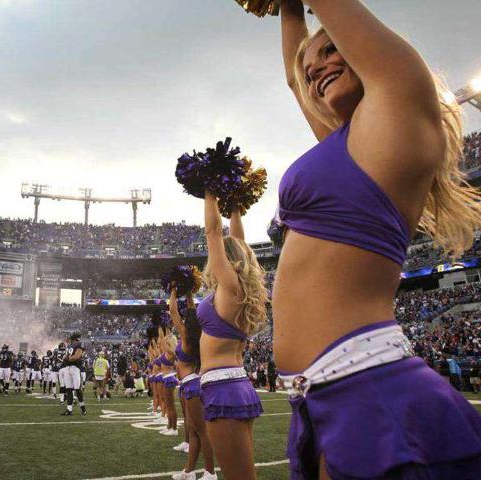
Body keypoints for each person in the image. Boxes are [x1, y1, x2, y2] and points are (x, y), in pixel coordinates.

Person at [273, 1, 481, 477]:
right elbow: (293, 78)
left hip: (375, 388)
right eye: (309, 71)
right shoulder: (347, 141)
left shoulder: (400, 102)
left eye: (329, 50)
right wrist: (285, 8)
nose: (315, 71)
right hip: (322, 395)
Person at [199, 197, 268, 480]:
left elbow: (213, 232)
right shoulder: (235, 290)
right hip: (230, 383)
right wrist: (236, 206)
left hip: (224, 387)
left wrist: (210, 190)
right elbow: (236, 239)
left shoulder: (230, 287)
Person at [169, 288, 217, 480]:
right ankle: (189, 471)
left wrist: (172, 289)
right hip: (191, 384)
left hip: (193, 385)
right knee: (193, 430)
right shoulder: (198, 336)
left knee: (202, 432)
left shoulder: (187, 337)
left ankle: (210, 472)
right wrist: (188, 293)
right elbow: (189, 312)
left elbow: (173, 312)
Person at [61, 332, 86, 416]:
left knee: (77, 389)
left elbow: (77, 356)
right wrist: (66, 358)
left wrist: (67, 359)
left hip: (75, 368)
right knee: (68, 390)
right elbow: (67, 356)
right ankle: (69, 410)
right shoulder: (69, 346)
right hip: (67, 368)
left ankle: (83, 408)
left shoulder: (79, 344)